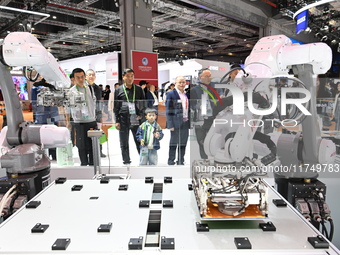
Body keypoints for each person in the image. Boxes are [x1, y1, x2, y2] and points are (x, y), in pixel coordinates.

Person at [114, 68, 145, 165]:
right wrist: (117, 120)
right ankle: (126, 161)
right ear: (123, 77)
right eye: (127, 76)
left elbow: (143, 104)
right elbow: (116, 106)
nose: (130, 78)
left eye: (132, 76)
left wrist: (142, 116)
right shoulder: (118, 90)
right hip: (123, 119)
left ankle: (142, 159)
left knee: (139, 140)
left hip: (136, 119)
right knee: (124, 142)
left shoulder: (139, 89)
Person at [69, 68, 97, 166]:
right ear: (73, 79)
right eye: (78, 77)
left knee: (93, 146)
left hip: (92, 121)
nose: (81, 79)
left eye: (82, 77)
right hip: (79, 122)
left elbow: (94, 103)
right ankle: (84, 165)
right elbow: (68, 108)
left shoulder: (90, 88)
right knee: (82, 146)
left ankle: (94, 166)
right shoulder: (71, 91)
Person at [190, 68, 214, 159]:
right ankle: (204, 160)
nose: (209, 78)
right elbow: (192, 105)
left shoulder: (214, 88)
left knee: (212, 140)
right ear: (200, 77)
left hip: (212, 118)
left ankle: (215, 160)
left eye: (210, 76)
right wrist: (198, 107)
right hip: (200, 119)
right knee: (201, 141)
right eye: (207, 76)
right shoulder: (194, 90)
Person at [166, 76, 190, 165]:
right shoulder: (171, 94)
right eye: (179, 82)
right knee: (173, 143)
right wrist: (170, 125)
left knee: (183, 143)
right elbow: (168, 110)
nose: (181, 84)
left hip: (185, 122)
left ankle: (181, 160)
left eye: (183, 82)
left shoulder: (187, 95)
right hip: (175, 123)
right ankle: (171, 160)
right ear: (175, 83)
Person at [86, 69, 106, 157]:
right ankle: (88, 152)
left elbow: (99, 102)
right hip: (86, 115)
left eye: (93, 75)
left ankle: (99, 151)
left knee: (98, 132)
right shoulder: (83, 87)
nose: (91, 76)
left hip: (97, 114)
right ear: (86, 77)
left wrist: (100, 115)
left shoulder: (97, 88)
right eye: (89, 75)